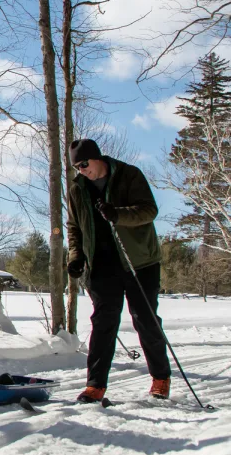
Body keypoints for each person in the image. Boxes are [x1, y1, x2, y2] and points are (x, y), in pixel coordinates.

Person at [66, 139, 172, 403]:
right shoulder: (77, 189)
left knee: (145, 320)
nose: (81, 170)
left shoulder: (129, 174)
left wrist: (118, 214)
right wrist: (76, 256)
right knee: (103, 324)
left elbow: (149, 211)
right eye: (77, 167)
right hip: (101, 265)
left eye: (84, 164)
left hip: (139, 262)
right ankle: (95, 385)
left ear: (97, 158)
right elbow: (73, 227)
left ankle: (160, 378)